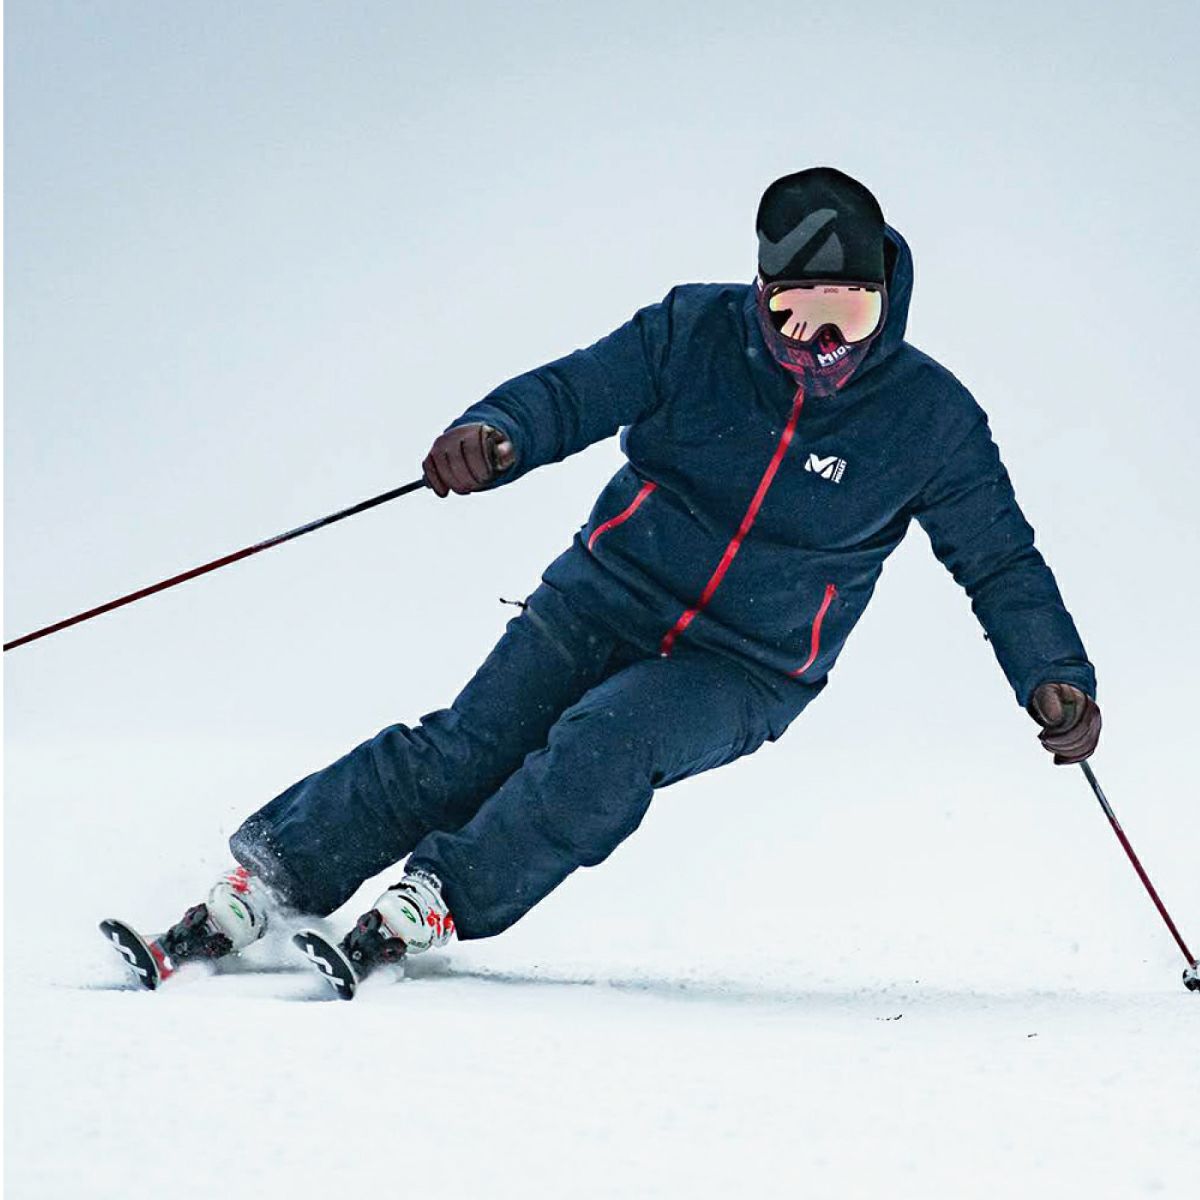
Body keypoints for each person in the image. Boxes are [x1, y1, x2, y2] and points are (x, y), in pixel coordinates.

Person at [144, 167, 1101, 981]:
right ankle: (268, 882)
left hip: (747, 664)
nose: (824, 343)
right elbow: (573, 392)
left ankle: (437, 897)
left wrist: (1053, 674)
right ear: (760, 293)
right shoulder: (694, 333)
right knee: (464, 751)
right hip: (601, 598)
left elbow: (1000, 563)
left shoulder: (930, 420)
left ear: (886, 296)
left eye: (849, 312)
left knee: (606, 743)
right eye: (796, 313)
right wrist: (497, 433)